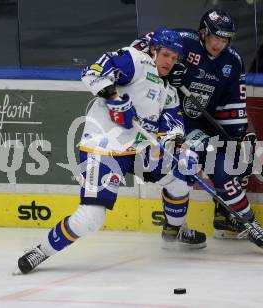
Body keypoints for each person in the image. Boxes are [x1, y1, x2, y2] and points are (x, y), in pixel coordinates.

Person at [17, 28, 206, 274]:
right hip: (104, 146)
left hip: (138, 149)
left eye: (174, 58)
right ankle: (41, 251)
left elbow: (172, 126)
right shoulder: (136, 61)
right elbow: (93, 72)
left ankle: (175, 229)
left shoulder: (168, 91)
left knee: (180, 174)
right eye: (166, 55)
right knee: (92, 217)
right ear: (154, 50)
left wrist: (178, 147)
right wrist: (115, 99)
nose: (169, 62)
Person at [132, 9, 263, 247]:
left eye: (225, 39)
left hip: (203, 125)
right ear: (203, 32)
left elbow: (233, 101)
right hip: (170, 122)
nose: (220, 44)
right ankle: (175, 225)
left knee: (232, 160)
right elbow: (138, 52)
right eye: (215, 37)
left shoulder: (232, 61)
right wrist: (163, 75)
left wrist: (238, 134)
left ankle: (236, 218)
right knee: (182, 173)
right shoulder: (182, 42)